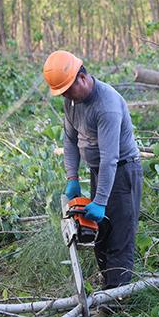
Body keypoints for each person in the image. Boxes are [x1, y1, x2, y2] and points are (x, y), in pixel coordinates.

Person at [43, 50, 143, 290]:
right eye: (62, 92)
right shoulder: (72, 101)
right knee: (99, 234)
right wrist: (72, 177)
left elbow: (111, 157)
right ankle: (108, 285)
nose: (66, 96)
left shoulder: (106, 105)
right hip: (99, 171)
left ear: (82, 78)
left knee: (119, 237)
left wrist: (100, 200)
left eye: (68, 89)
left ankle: (116, 303)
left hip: (122, 171)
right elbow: (70, 139)